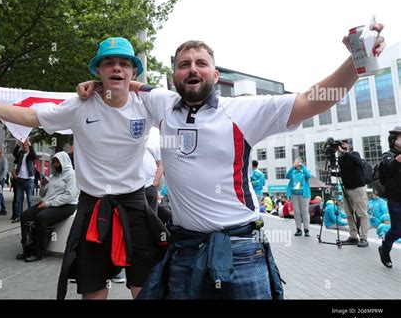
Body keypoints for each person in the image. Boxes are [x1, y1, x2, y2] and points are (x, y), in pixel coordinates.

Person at [79, 27, 385, 298]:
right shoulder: (161, 102)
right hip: (184, 250)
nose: (192, 69)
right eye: (183, 64)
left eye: (201, 63)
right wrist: (97, 86)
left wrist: (355, 61)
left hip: (242, 252)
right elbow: (128, 85)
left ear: (215, 75)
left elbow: (310, 100)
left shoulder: (244, 111)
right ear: (174, 76)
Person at [0, 37, 167, 300]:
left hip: (135, 204)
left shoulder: (146, 104)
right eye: (109, 64)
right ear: (98, 70)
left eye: (124, 64)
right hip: (94, 206)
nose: (117, 68)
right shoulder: (78, 105)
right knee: (92, 288)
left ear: (134, 71)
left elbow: (174, 97)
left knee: (145, 287)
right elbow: (31, 117)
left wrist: (106, 85)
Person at [17, 152, 79, 262]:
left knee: (41, 218)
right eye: (54, 162)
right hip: (49, 202)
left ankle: (38, 252)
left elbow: (69, 196)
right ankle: (27, 249)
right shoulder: (52, 176)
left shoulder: (71, 174)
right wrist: (43, 186)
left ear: (63, 162)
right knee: (25, 215)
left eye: (57, 162)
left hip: (67, 205)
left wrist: (49, 204)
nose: (55, 165)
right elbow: (43, 195)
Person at [337, 140, 370, 247]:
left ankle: (364, 238)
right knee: (349, 214)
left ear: (349, 146)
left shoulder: (354, 154)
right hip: (347, 189)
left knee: (362, 214)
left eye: (344, 145)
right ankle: (353, 236)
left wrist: (344, 152)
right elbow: (343, 173)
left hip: (358, 188)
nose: (341, 147)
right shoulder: (341, 159)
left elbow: (358, 161)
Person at [378, 126, 401, 268]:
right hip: (395, 200)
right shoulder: (388, 155)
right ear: (393, 141)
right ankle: (384, 249)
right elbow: (390, 166)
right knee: (397, 230)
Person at [12, 139, 37, 223]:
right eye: (24, 145)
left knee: (30, 199)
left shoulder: (30, 155)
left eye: (26, 145)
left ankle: (31, 217)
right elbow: (14, 153)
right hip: (20, 179)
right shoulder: (21, 154)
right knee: (18, 199)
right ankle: (18, 217)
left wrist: (30, 145)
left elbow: (34, 154)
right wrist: (18, 144)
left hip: (29, 180)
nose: (25, 147)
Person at [285, 158, 312, 236]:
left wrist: (302, 166)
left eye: (298, 162)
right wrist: (292, 167)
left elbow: (309, 176)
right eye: (295, 162)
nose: (296, 163)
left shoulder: (305, 171)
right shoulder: (293, 172)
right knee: (296, 212)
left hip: (304, 194)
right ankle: (298, 229)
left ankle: (306, 229)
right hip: (294, 194)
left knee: (305, 211)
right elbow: (287, 176)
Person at [143, 142, 163, 214]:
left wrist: (155, 183)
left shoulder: (154, 141)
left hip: (150, 185)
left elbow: (161, 164)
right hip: (135, 186)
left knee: (152, 215)